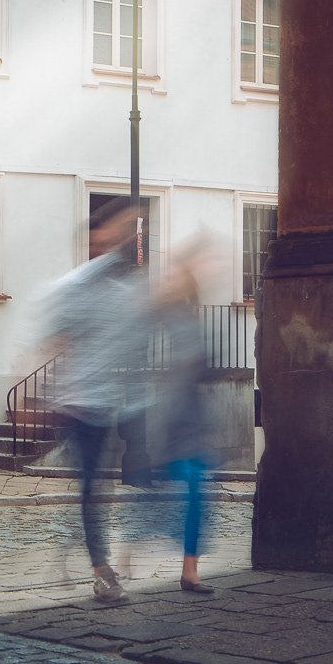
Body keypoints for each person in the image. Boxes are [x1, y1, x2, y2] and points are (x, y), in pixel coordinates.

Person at [35, 198, 149, 603]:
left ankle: (69, 552)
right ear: (96, 237)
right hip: (79, 406)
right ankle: (102, 572)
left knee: (98, 489)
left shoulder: (127, 287)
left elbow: (133, 344)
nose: (125, 235)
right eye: (119, 228)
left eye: (130, 228)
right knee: (91, 489)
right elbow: (53, 341)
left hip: (110, 405)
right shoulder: (77, 285)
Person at [154, 237, 220, 593]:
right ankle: (122, 561)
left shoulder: (188, 313)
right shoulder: (170, 313)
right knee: (159, 499)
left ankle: (189, 571)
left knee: (193, 497)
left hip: (191, 421)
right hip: (176, 422)